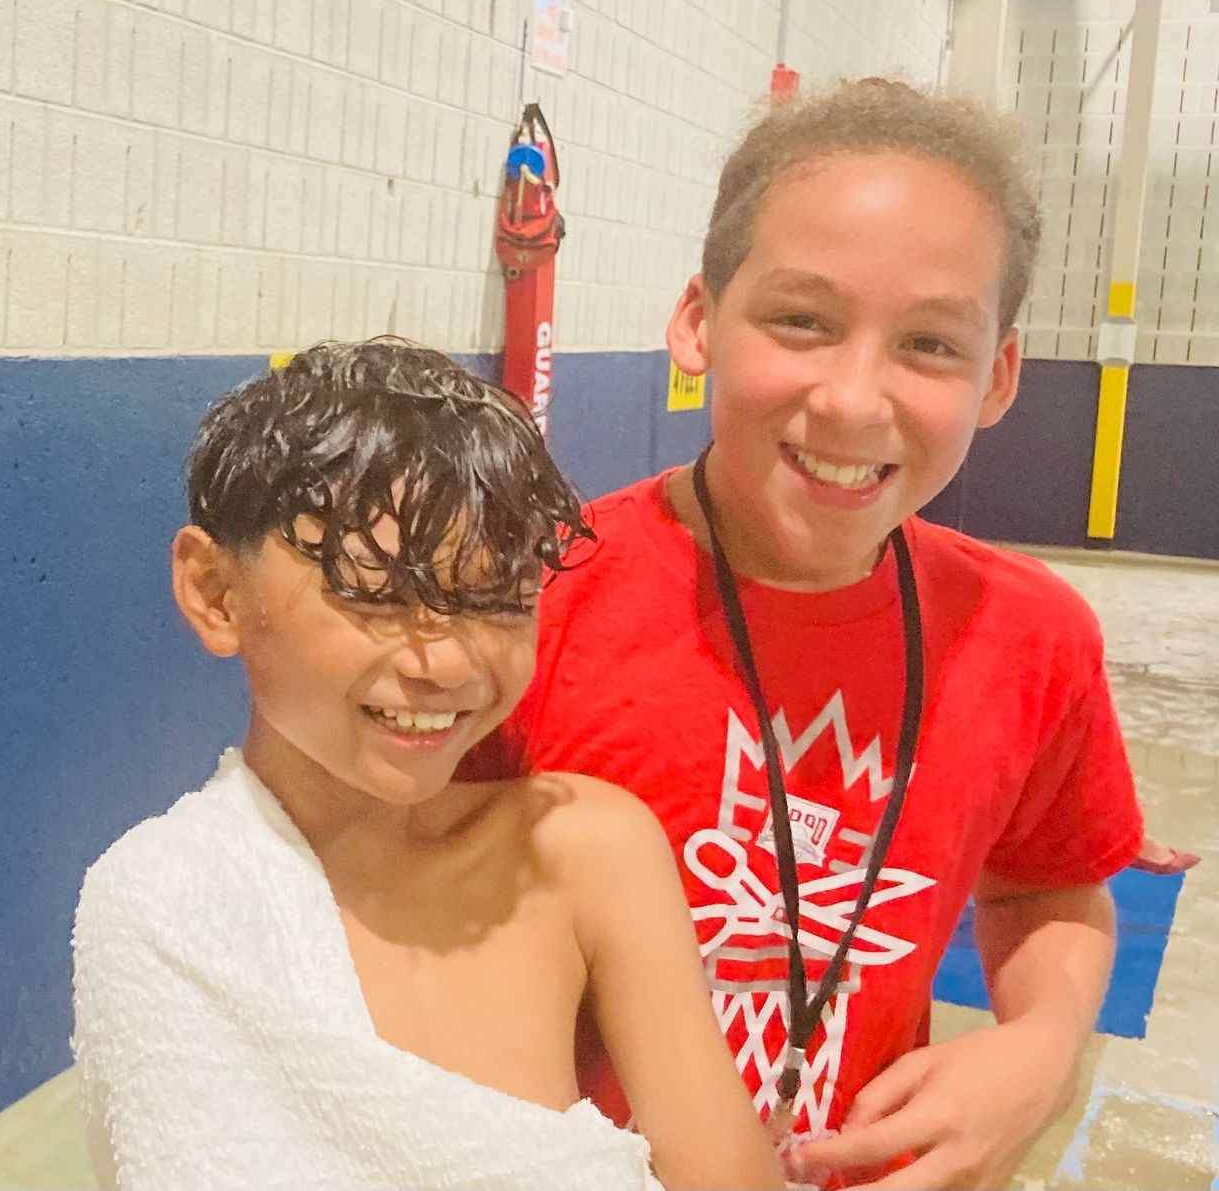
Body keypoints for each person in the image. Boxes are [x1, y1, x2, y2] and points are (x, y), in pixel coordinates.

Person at [462, 78, 1144, 1189]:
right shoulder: (530, 596)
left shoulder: (1031, 639)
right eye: (801, 321)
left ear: (998, 377)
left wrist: (1037, 1045)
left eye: (929, 344)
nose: (851, 399)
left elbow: (1048, 884)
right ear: (697, 321)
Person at [72, 341, 782, 1191]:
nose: (443, 661)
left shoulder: (583, 851)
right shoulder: (161, 903)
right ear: (217, 592)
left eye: (496, 598)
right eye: (375, 592)